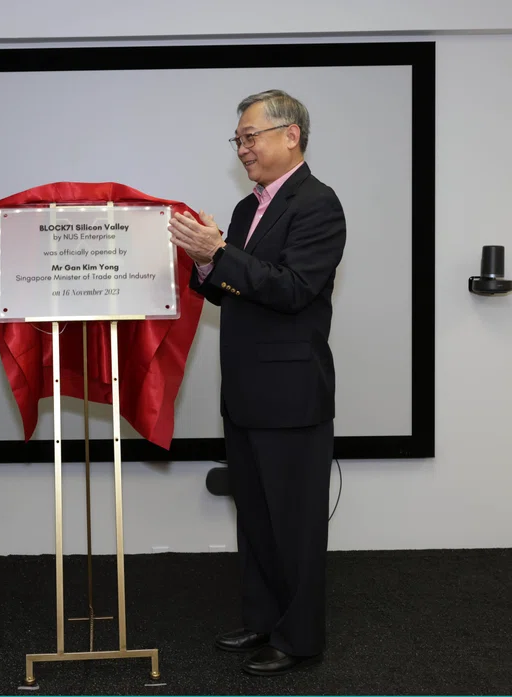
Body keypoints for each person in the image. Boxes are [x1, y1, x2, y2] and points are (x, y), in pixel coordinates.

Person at [169, 90, 346, 676]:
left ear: (291, 135)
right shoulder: (248, 210)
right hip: (246, 390)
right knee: (257, 517)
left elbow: (293, 289)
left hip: (292, 396)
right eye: (238, 140)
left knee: (294, 524)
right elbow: (235, 286)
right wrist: (204, 262)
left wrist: (221, 253)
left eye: (251, 136)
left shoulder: (318, 205)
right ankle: (263, 619)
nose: (243, 148)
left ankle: (299, 640)